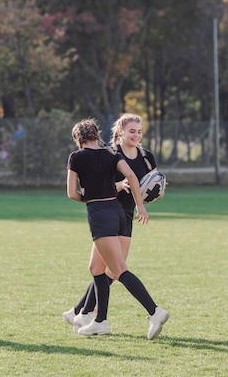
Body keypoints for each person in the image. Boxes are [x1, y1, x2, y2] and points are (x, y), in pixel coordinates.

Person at [66, 118, 169, 339]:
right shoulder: (111, 153)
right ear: (99, 134)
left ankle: (154, 311)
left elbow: (72, 193)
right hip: (119, 212)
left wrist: (89, 197)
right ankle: (88, 315)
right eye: (133, 131)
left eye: (139, 131)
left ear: (78, 139)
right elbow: (131, 176)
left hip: (101, 214)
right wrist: (140, 204)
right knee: (96, 269)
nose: (137, 134)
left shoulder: (77, 157)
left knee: (118, 270)